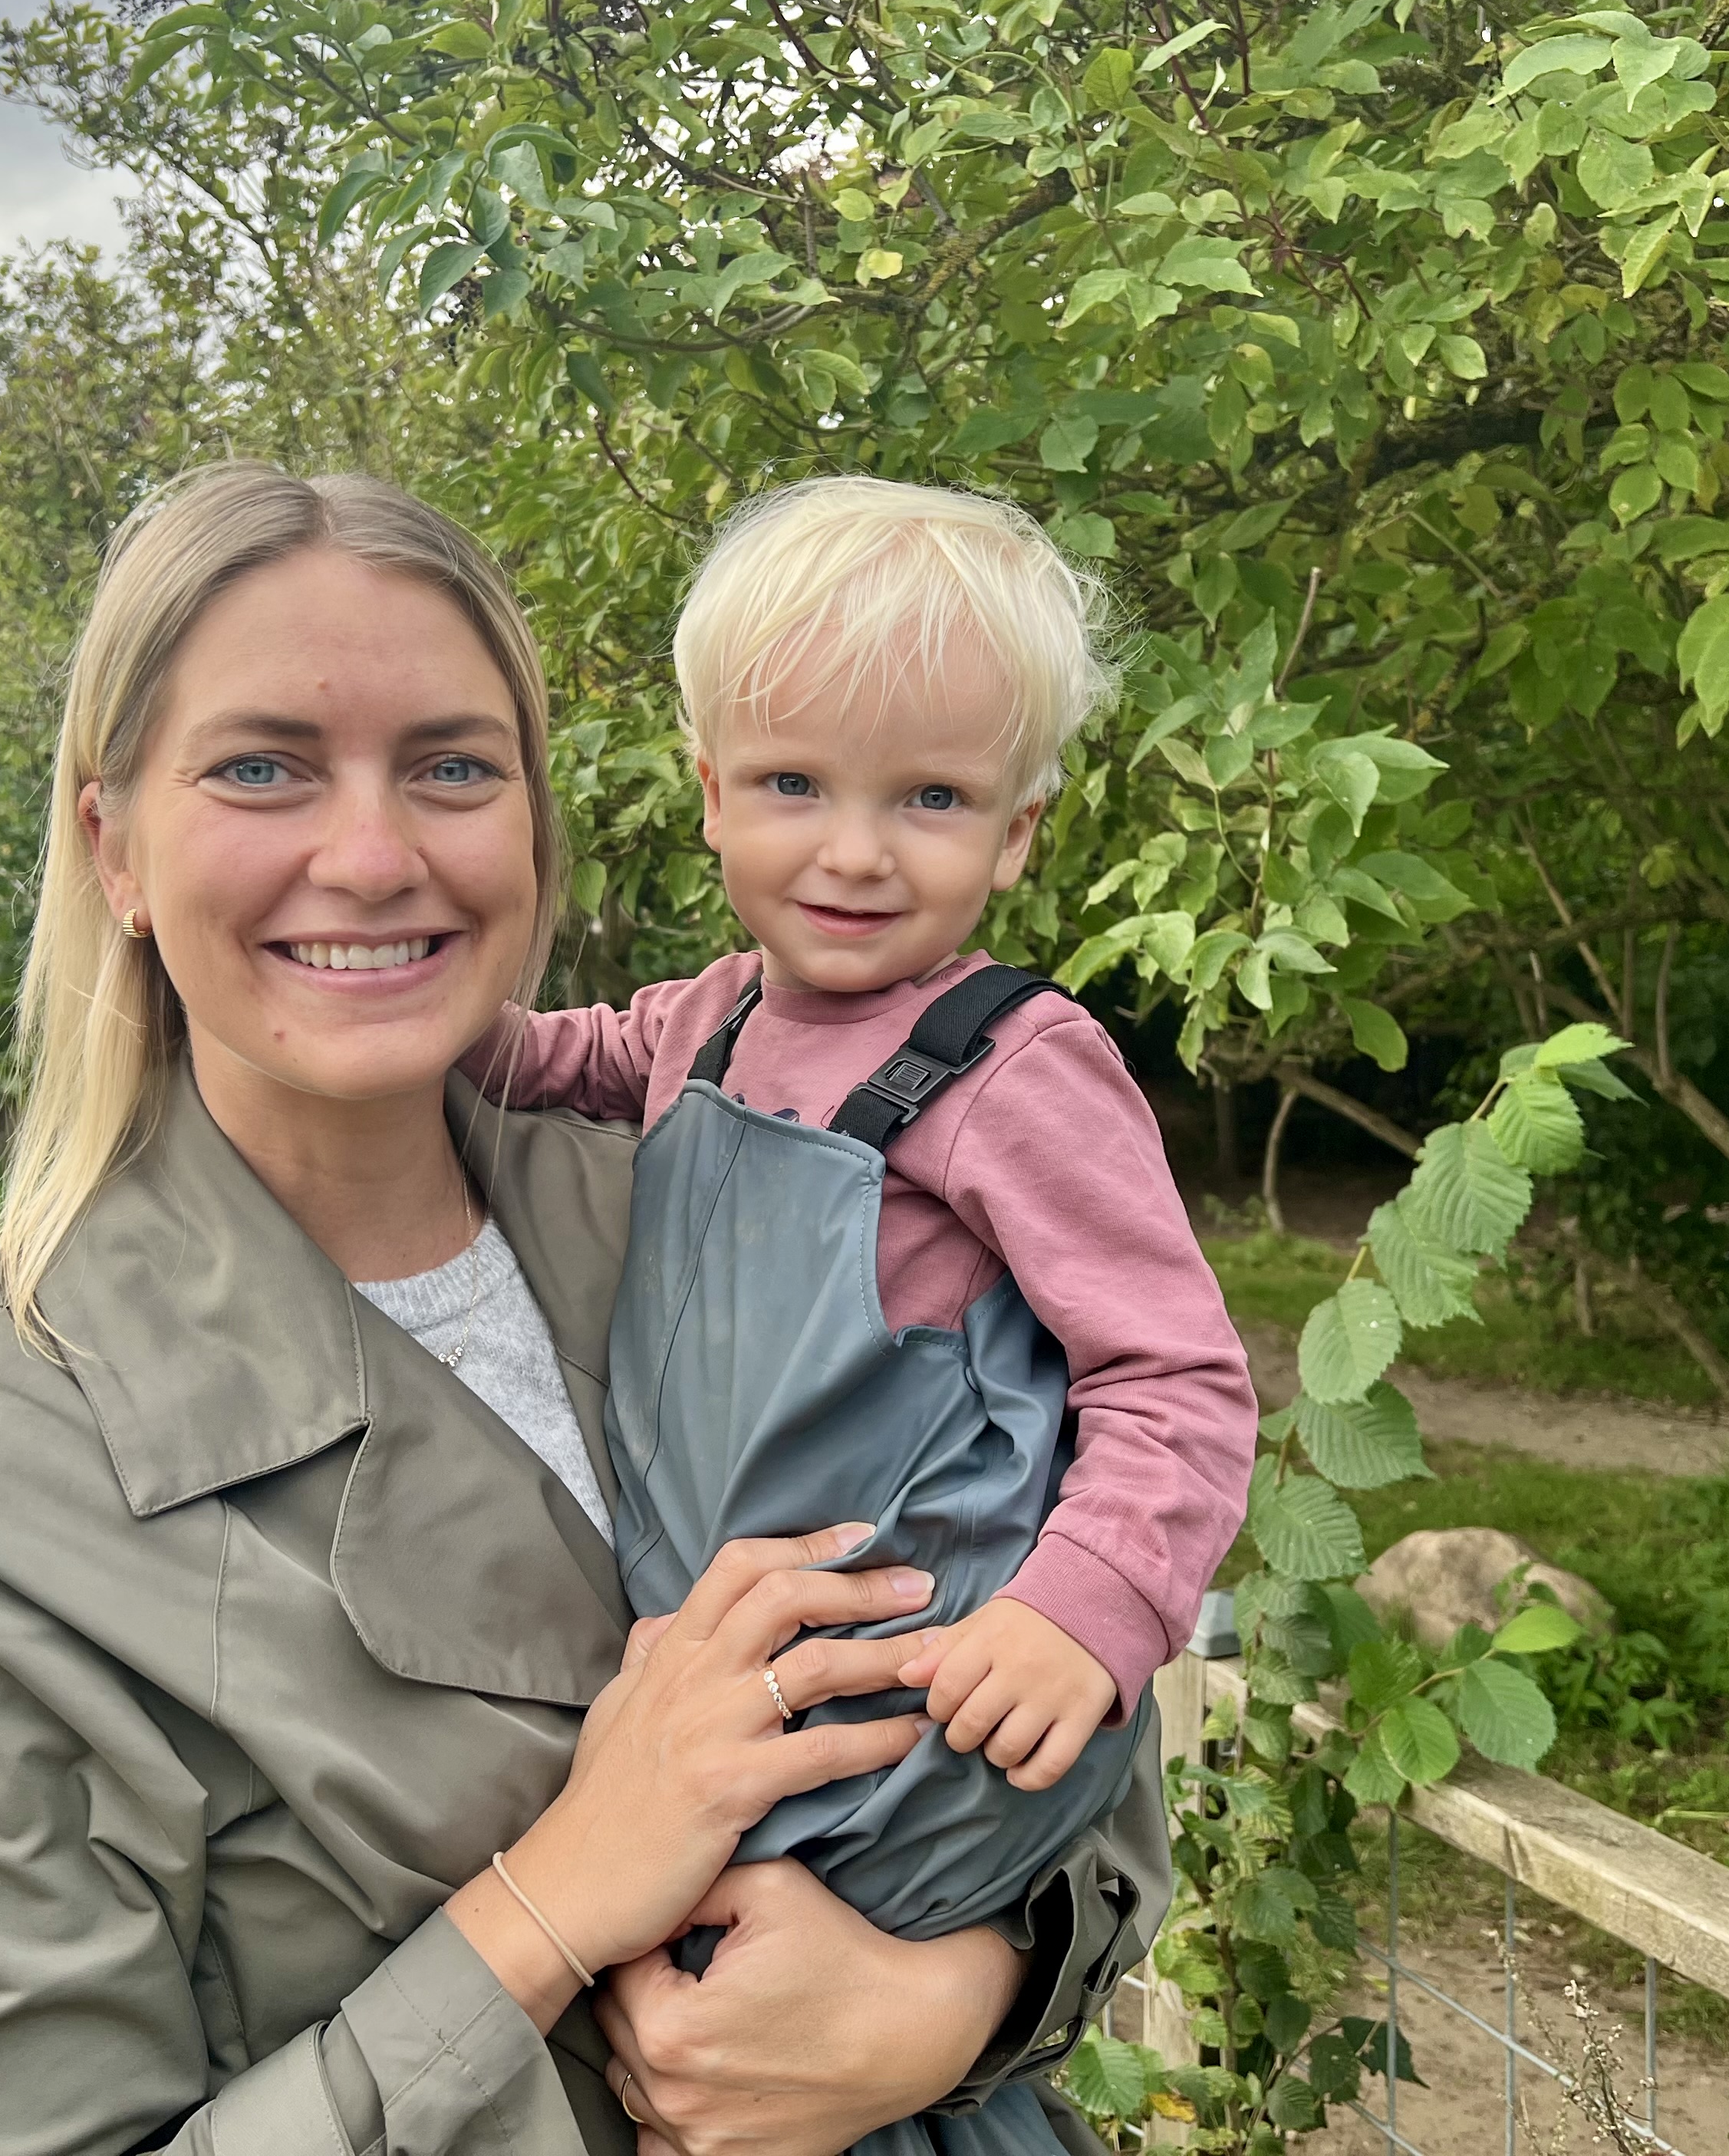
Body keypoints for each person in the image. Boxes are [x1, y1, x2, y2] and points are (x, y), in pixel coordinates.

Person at [0, 462, 1168, 2156]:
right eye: (262, 766)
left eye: (453, 768)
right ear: (114, 846)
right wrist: (544, 1910)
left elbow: (1069, 1691)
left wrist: (959, 1996)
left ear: (536, 825)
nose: (372, 855)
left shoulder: (751, 1203)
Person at [470, 479, 1256, 2154]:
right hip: (737, 1684)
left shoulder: (1014, 1067)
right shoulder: (710, 1020)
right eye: (794, 785)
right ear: (710, 794)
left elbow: (1178, 1376)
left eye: (931, 798)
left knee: (834, 2069)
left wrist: (1085, 1609)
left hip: (918, 1716)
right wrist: (436, 1014)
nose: (853, 849)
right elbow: (566, 1057)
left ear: (1019, 830)